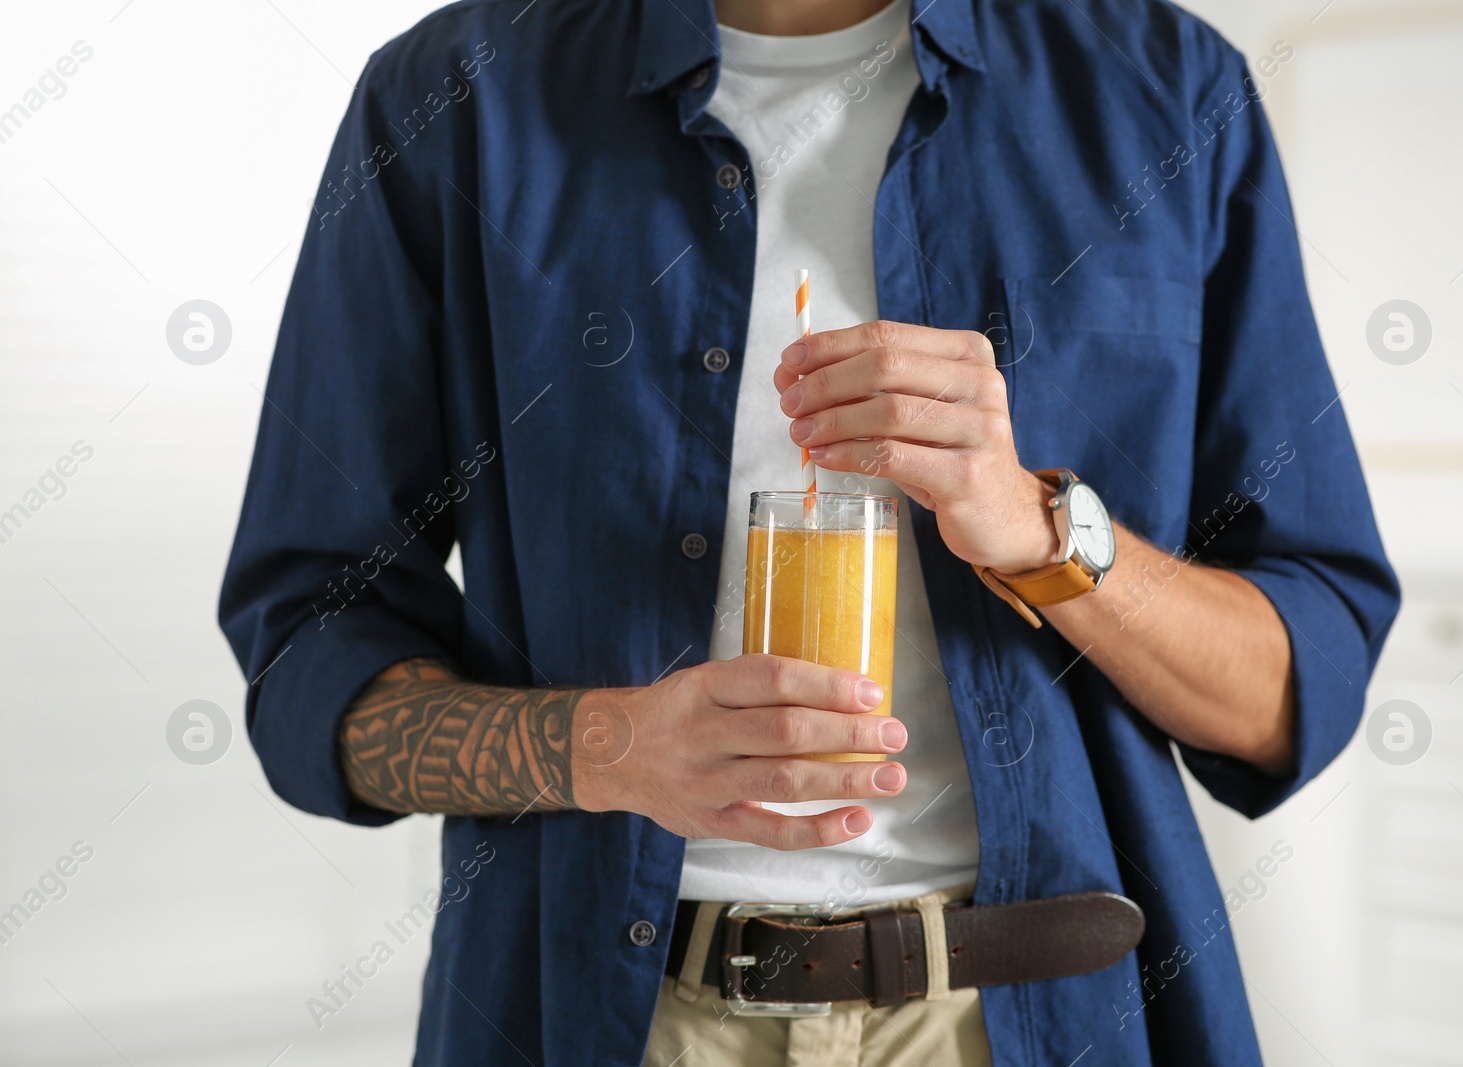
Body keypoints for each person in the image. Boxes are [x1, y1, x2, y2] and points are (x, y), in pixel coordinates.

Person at [219, 0, 1400, 1063]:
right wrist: (606, 744)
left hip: (1036, 1017)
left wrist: (1042, 530)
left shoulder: (1165, 91)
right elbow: (306, 663)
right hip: (603, 1017)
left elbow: (1293, 693)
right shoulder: (452, 96)